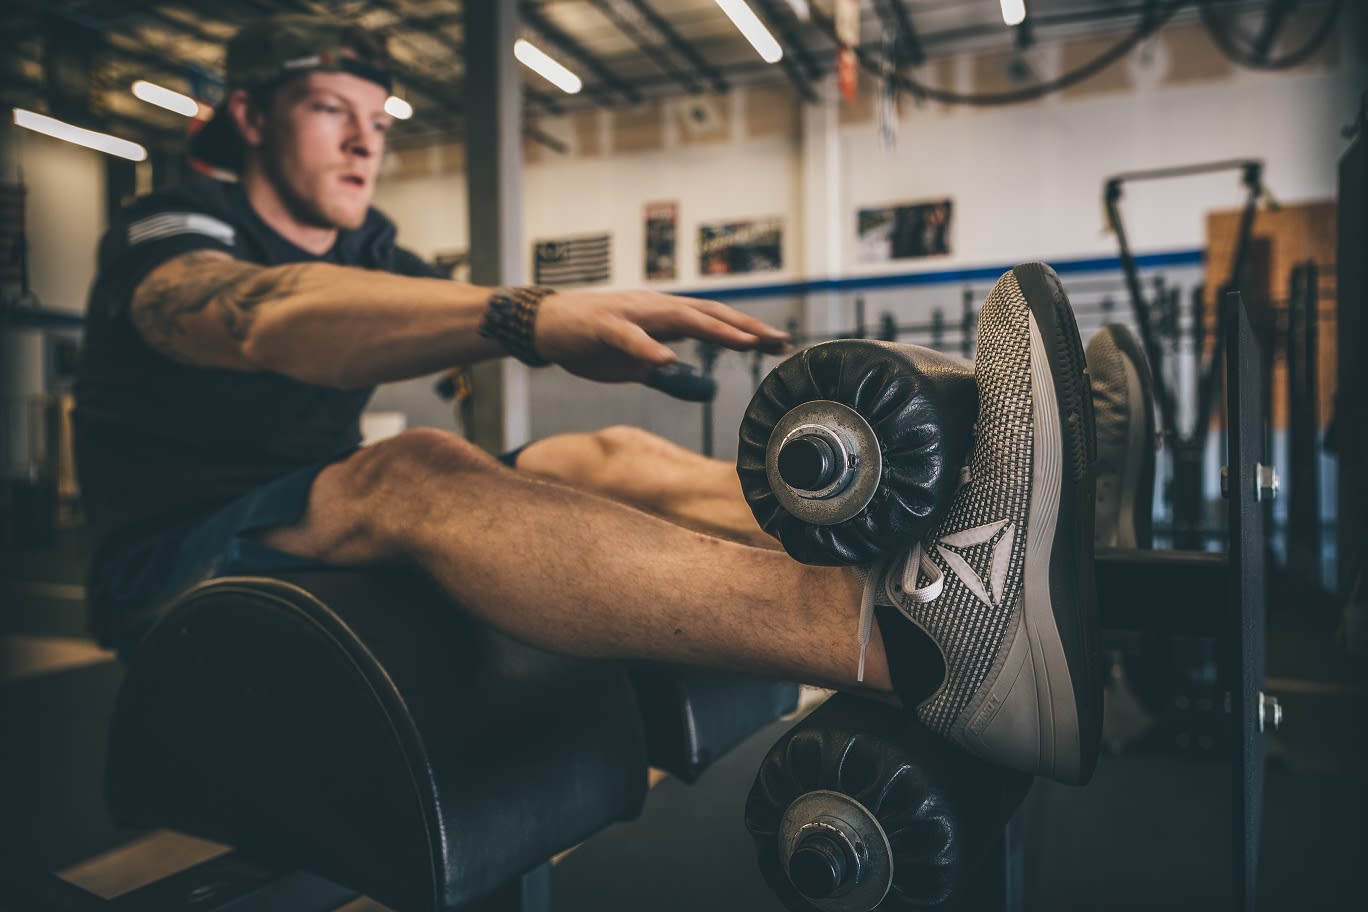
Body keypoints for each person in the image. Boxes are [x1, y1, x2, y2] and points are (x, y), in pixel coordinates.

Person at [74, 14, 1101, 786]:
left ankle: (948, 548)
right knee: (415, 471)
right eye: (327, 112)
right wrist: (527, 318)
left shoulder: (368, 243)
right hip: (177, 554)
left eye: (375, 119)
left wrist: (579, 344)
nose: (363, 143)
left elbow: (418, 320)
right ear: (248, 117)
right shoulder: (168, 228)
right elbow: (255, 319)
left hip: (301, 515)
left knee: (601, 451)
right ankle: (922, 648)